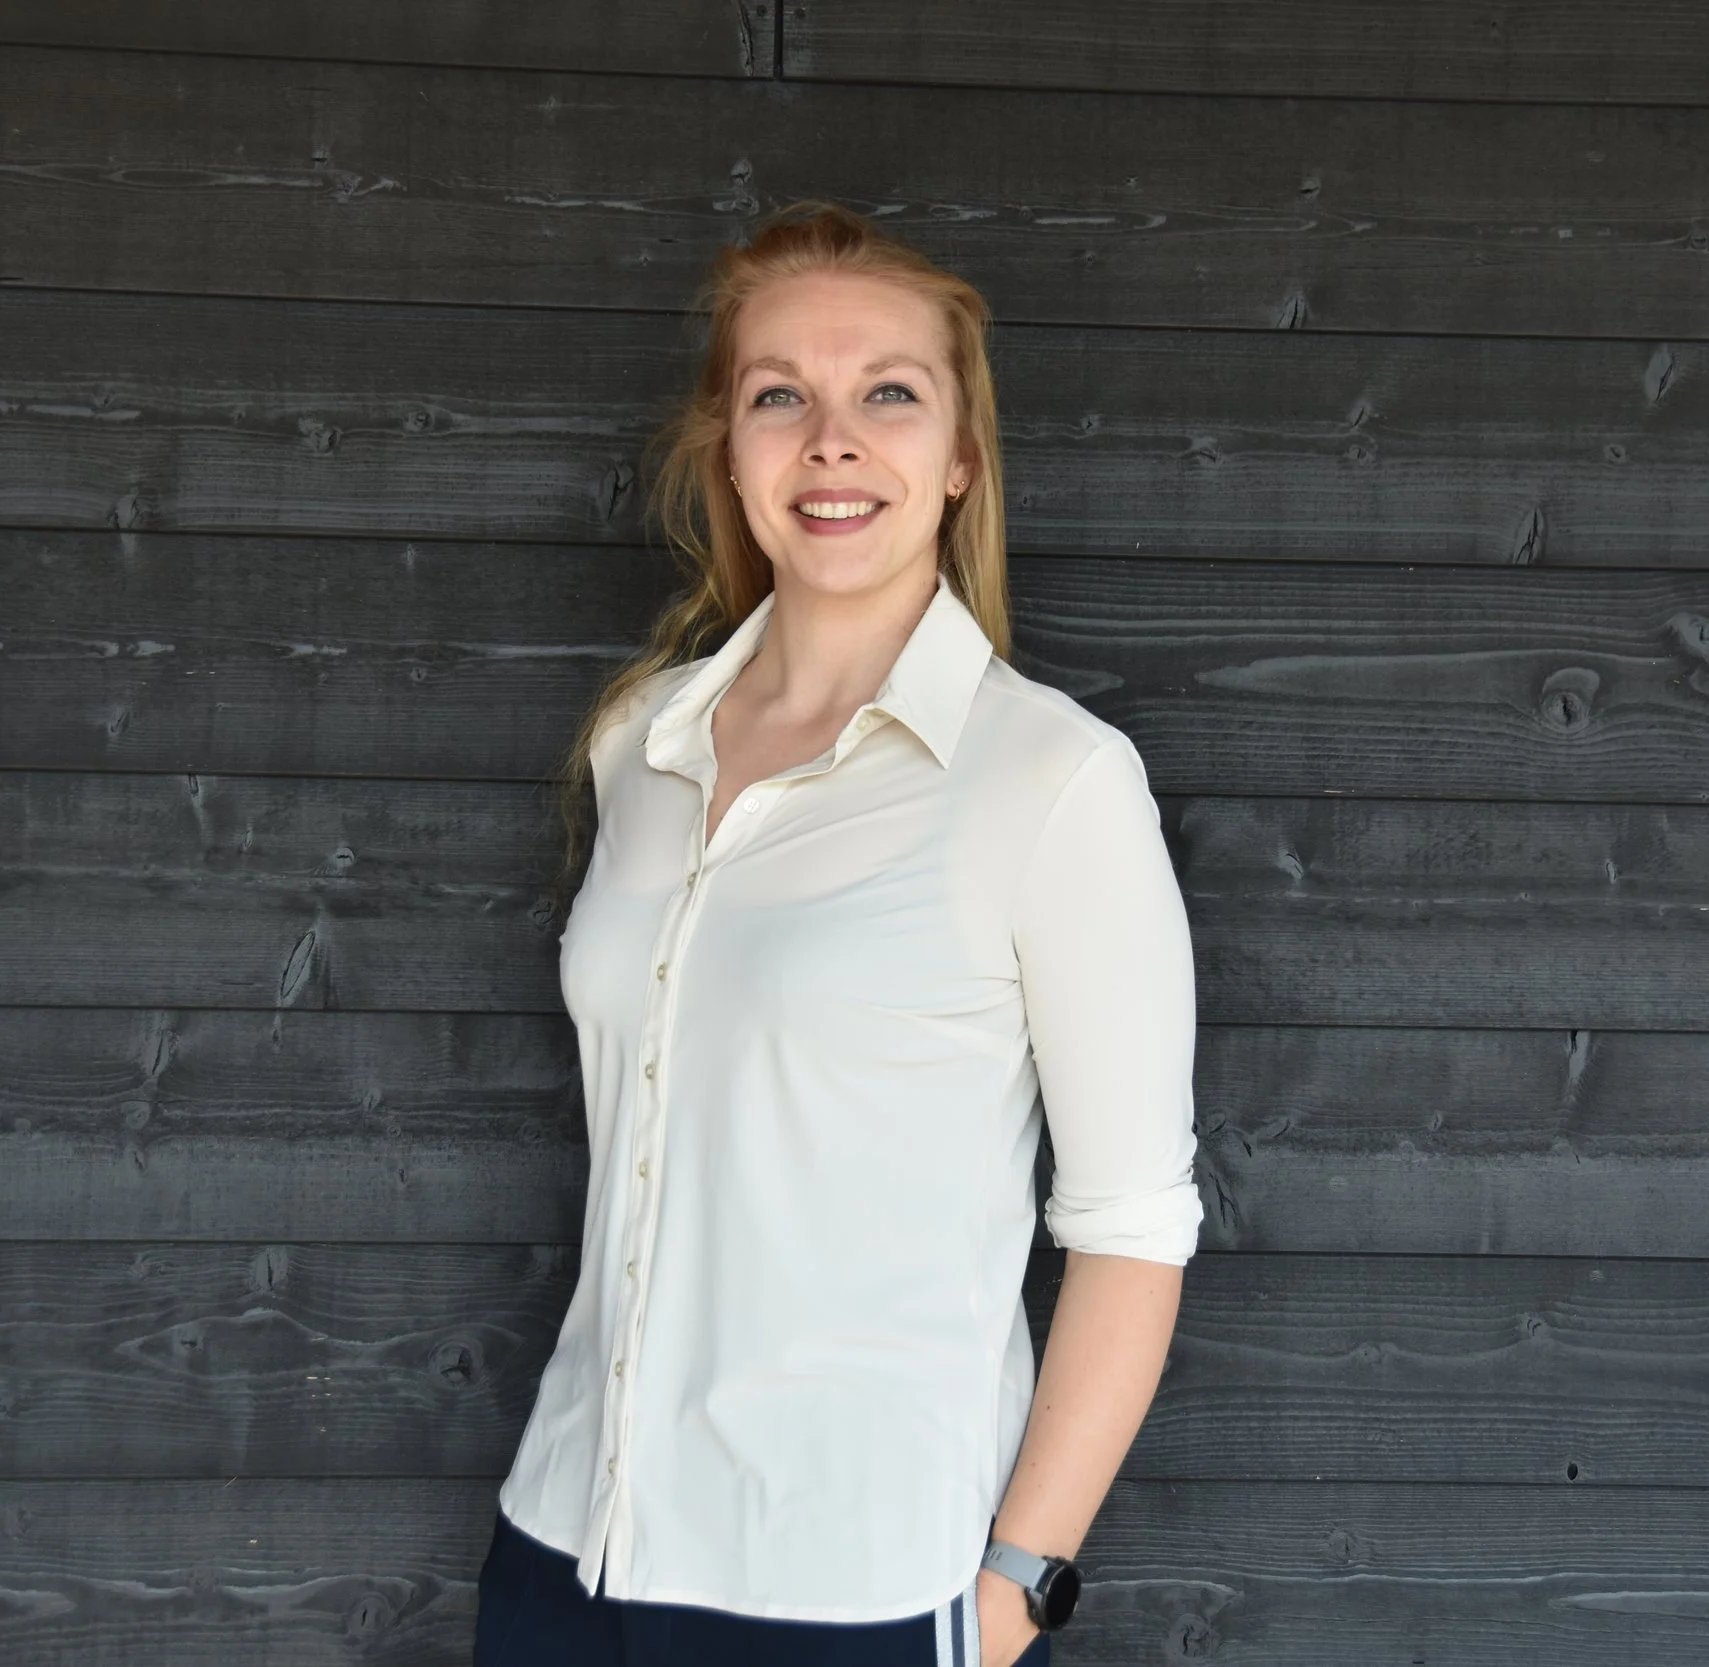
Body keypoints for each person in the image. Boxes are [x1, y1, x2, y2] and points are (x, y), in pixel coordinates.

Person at [474, 200, 1205, 1667]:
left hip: (852, 1593)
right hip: (564, 1545)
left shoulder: (1050, 780)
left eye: (889, 394)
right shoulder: (641, 746)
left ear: (962, 456)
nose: (830, 441)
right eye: (778, 397)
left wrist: (1011, 1595)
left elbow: (1132, 1229)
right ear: (727, 449)